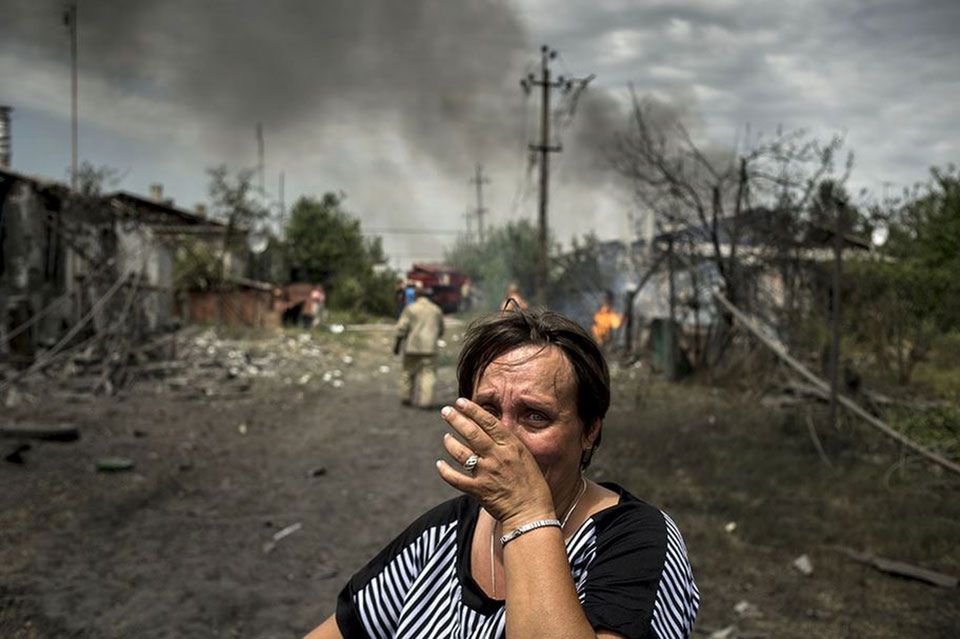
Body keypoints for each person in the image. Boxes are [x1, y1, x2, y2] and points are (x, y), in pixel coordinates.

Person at [307, 308, 699, 639]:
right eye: (488, 411)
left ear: (589, 429)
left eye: (535, 416)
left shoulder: (634, 540)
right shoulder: (440, 536)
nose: (504, 441)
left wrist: (526, 515)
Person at [394, 285, 445, 408]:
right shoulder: (436, 310)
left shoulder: (411, 309)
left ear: (416, 296)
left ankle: (406, 397)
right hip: (430, 348)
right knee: (428, 374)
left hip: (412, 346)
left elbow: (401, 329)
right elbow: (441, 330)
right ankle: (425, 402)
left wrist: (397, 345)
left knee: (407, 372)